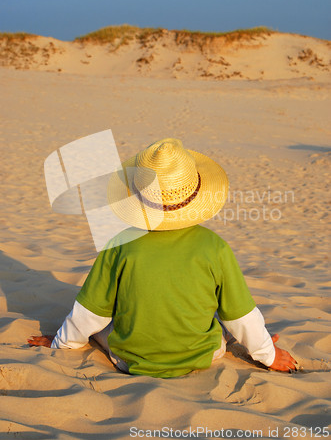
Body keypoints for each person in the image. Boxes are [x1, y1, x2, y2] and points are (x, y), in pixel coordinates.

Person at [28, 138, 297, 377]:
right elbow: (242, 316)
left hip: (129, 360)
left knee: (102, 324)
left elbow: (90, 313)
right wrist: (267, 354)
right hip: (202, 356)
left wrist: (61, 343)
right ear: (194, 193)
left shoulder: (119, 244)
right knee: (221, 314)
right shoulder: (215, 247)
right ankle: (247, 343)